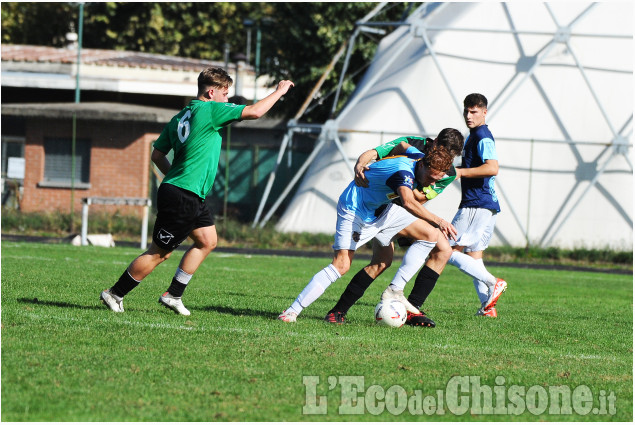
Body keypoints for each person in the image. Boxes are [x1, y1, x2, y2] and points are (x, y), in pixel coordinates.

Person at [100, 67, 294, 315]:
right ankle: (114, 293)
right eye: (225, 94)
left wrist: (173, 176)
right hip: (183, 194)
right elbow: (255, 112)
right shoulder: (210, 109)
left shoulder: (181, 116)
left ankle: (173, 295)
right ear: (212, 92)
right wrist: (279, 91)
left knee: (207, 241)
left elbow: (157, 155)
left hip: (187, 193)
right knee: (160, 253)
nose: (227, 101)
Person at [278, 139, 457, 323]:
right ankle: (292, 311)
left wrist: (365, 161)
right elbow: (408, 202)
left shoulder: (417, 156)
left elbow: (401, 145)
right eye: (430, 177)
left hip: (382, 208)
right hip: (356, 209)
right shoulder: (403, 173)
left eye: (436, 179)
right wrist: (439, 220)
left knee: (428, 237)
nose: (430, 183)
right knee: (341, 265)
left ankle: (391, 292)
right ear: (423, 165)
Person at [324, 130, 464, 327]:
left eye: (451, 156)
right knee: (378, 262)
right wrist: (360, 165)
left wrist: (403, 183)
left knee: (437, 249)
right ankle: (340, 309)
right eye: (441, 150)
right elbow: (375, 153)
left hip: (400, 210)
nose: (445, 158)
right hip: (378, 207)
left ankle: (409, 305)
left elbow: (420, 199)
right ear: (434, 142)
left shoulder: (445, 171)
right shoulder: (411, 144)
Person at [448, 93, 507, 317]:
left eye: (473, 111)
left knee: (445, 250)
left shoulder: (482, 135)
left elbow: (492, 168)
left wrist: (460, 172)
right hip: (486, 204)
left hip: (476, 204)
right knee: (474, 257)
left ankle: (494, 283)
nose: (468, 115)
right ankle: (487, 306)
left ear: (484, 112)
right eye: (466, 111)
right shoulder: (474, 134)